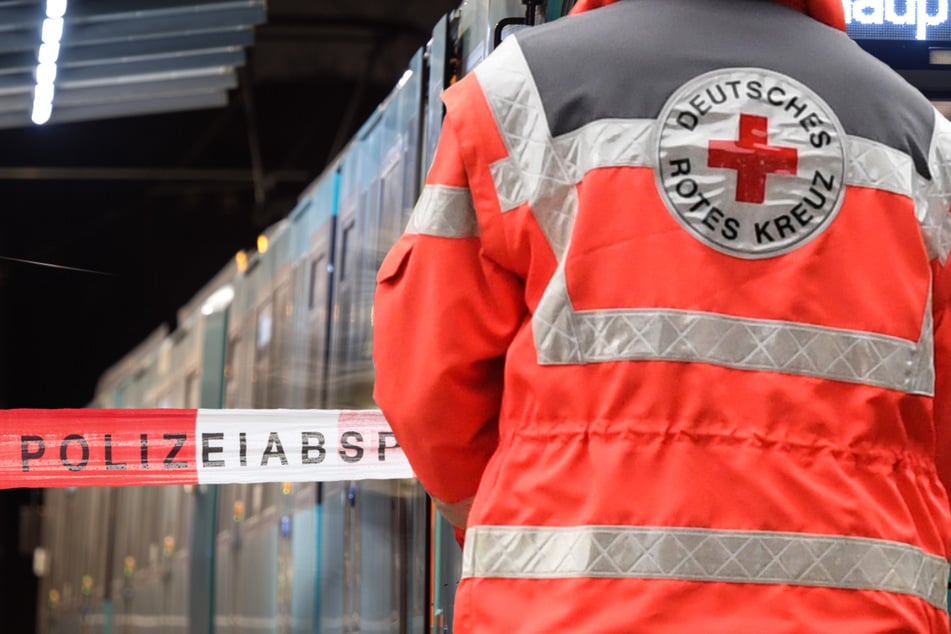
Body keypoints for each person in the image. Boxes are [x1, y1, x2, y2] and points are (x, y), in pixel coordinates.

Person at [373, 0, 951, 631]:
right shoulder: (921, 136)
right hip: (857, 614)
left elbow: (426, 383)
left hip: (567, 610)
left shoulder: (517, 95)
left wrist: (511, 513)